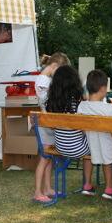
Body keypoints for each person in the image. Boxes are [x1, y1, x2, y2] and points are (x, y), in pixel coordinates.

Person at [46, 65, 93, 193]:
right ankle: (88, 184)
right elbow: (84, 130)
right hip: (79, 149)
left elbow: (51, 127)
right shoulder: (79, 104)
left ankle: (87, 185)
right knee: (94, 141)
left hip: (60, 147)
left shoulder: (53, 103)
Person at [32, 53, 70, 204]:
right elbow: (47, 100)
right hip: (45, 122)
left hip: (49, 122)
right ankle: (37, 191)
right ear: (54, 66)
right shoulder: (43, 80)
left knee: (49, 157)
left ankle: (47, 188)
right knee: (44, 157)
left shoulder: (47, 79)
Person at [77, 70, 112, 200]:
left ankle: (87, 185)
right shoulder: (110, 109)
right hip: (108, 149)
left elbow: (82, 130)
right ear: (103, 88)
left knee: (95, 151)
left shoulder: (81, 107)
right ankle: (109, 188)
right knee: (108, 151)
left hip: (90, 145)